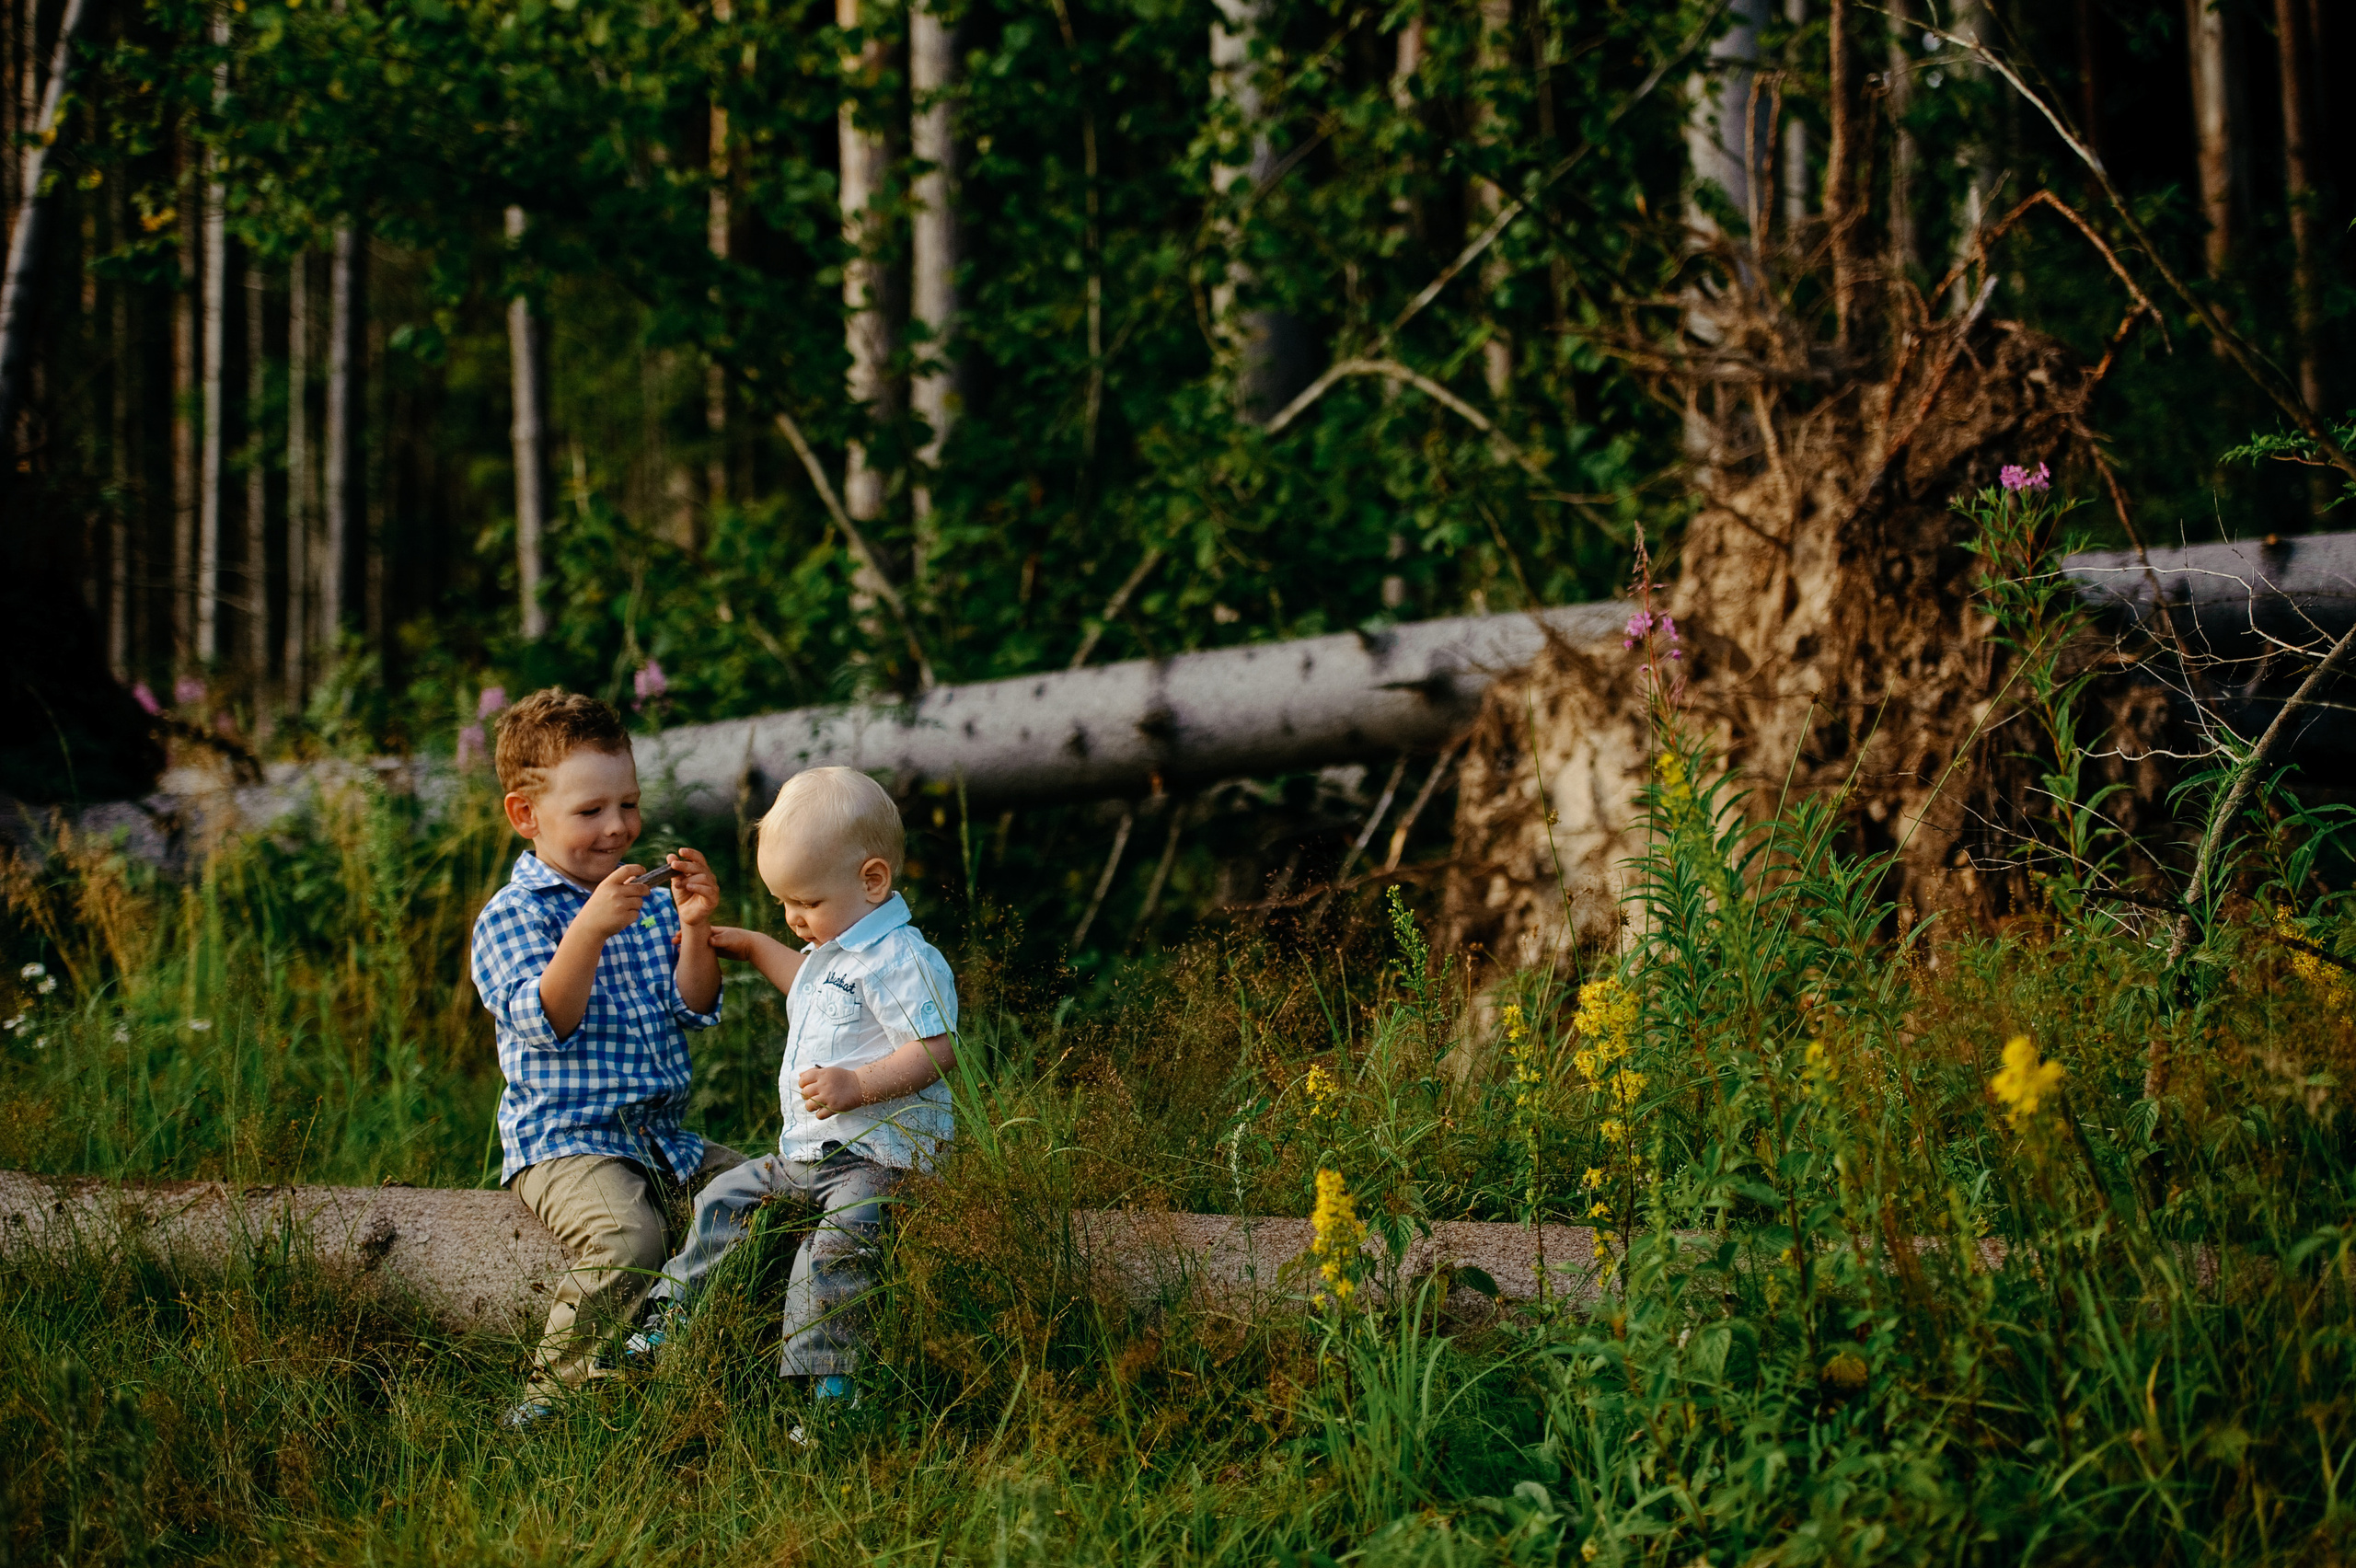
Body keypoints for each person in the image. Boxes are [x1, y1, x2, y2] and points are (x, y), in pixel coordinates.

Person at [632, 766, 957, 1423]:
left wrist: (858, 1084)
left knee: (838, 1245)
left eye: (805, 903)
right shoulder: (834, 951)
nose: (793, 918)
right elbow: (804, 984)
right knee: (724, 1195)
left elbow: (938, 1049)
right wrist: (753, 946)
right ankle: (671, 1314)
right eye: (784, 904)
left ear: (873, 881)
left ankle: (834, 1386)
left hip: (879, 1160)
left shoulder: (902, 958)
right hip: (808, 1154)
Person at [469, 687, 741, 1426]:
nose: (619, 827)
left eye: (628, 804)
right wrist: (586, 933)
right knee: (630, 1235)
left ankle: (669, 1345)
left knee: (759, 1192)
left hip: (657, 1136)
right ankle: (549, 1400)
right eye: (591, 812)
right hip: (565, 1141)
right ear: (526, 816)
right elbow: (544, 1019)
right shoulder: (515, 915)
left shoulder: (648, 904)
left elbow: (694, 1006)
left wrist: (693, 928)